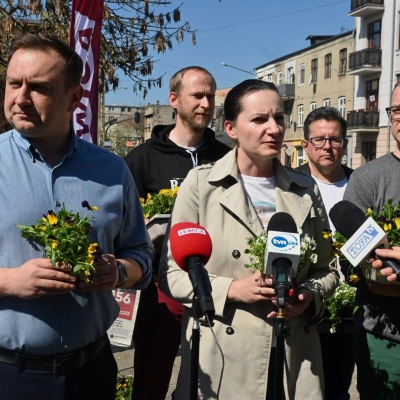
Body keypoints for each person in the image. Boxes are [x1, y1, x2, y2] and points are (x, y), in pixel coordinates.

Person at [159, 79, 338, 400]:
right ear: (231, 128)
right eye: (259, 120)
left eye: (279, 118)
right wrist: (232, 290)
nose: (274, 128)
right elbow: (172, 276)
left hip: (293, 358)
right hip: (223, 357)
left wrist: (308, 297)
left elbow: (328, 270)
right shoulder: (201, 185)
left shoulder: (305, 188)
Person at [0, 33, 153, 400]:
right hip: (9, 375)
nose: (21, 98)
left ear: (74, 98)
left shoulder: (111, 170)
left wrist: (116, 271)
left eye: (38, 87)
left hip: (91, 374)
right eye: (13, 83)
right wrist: (10, 281)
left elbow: (143, 259)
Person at [125, 66, 231, 400]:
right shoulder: (142, 159)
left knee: (209, 383)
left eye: (210, 97)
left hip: (214, 287)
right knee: (151, 382)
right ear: (174, 100)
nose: (205, 103)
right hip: (160, 290)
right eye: (197, 95)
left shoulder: (226, 158)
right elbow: (125, 227)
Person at [343, 82, 400, 399]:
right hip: (384, 338)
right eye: (396, 110)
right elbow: (346, 260)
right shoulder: (367, 179)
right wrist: (370, 262)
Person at [296, 106, 355, 400]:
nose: (327, 146)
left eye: (335, 139)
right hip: (302, 301)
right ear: (306, 144)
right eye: (319, 139)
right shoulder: (290, 184)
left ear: (344, 145)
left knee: (335, 388)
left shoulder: (360, 184)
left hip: (347, 309)